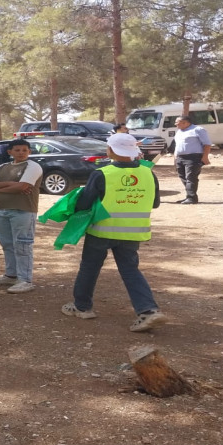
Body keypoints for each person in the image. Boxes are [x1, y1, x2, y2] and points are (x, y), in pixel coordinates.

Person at [61, 133, 168, 332]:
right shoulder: (148, 173)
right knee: (130, 270)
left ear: (110, 150)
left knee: (89, 268)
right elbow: (155, 203)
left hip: (101, 231)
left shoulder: (102, 173)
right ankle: (148, 311)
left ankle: (82, 307)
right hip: (132, 233)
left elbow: (84, 204)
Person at [0, 139, 42, 294]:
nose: (21, 153)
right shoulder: (2, 167)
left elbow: (23, 186)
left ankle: (25, 280)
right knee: (7, 244)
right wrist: (12, 185)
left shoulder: (33, 166)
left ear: (29, 151)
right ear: (10, 152)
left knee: (23, 245)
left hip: (24, 211)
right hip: (1, 210)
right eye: (17, 150)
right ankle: (11, 275)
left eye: (24, 150)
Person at [171, 116, 211, 204]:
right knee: (183, 177)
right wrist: (175, 159)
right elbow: (177, 146)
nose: (175, 124)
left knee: (191, 177)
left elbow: (207, 144)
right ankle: (189, 196)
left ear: (185, 122)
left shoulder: (198, 130)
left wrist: (205, 157)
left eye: (177, 122)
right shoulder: (179, 132)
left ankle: (191, 198)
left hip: (193, 157)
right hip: (180, 157)